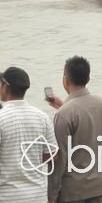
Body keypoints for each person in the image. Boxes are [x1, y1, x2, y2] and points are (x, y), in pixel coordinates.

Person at [47, 56, 102, 203]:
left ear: (65, 80)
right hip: (100, 188)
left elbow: (59, 159)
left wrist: (52, 195)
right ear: (88, 79)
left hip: (74, 192)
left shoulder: (64, 114)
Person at [0, 67, 57, 202]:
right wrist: (32, 159)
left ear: (5, 85)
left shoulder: (1, 117)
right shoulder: (42, 117)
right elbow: (53, 155)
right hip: (37, 195)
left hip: (8, 196)